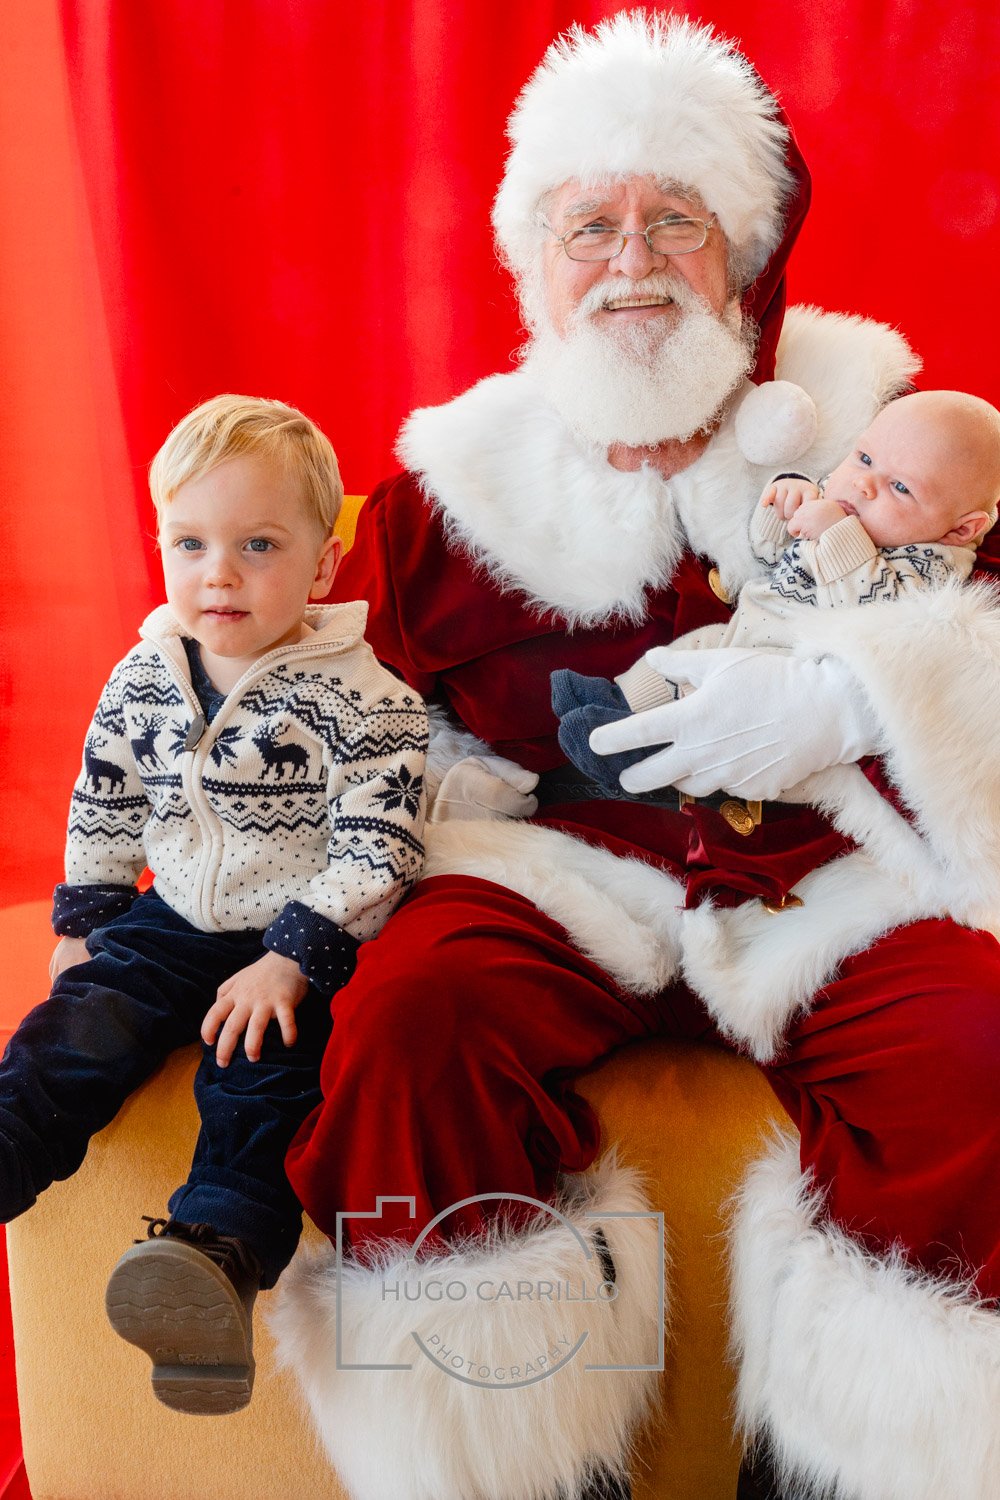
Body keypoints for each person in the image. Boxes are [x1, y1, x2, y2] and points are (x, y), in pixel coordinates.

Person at [271, 16, 1000, 1500]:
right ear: (529, 265)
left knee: (985, 1052)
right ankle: (503, 1473)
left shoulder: (898, 439)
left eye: (677, 219)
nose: (632, 258)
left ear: (743, 257)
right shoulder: (442, 503)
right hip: (558, 869)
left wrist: (862, 706)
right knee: (410, 1025)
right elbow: (357, 724)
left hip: (831, 874)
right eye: (588, 223)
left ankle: (875, 1469)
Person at [0, 395, 427, 1416]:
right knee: (78, 1025)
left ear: (321, 567)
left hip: (295, 935)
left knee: (262, 1070)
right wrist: (83, 923)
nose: (218, 573)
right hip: (171, 914)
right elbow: (102, 797)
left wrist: (292, 955)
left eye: (258, 545)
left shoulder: (366, 700)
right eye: (189, 543)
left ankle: (211, 1261)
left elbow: (384, 842)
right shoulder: (144, 674)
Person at [555, 388, 1000, 793]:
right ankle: (616, 702)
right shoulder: (844, 500)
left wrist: (836, 535)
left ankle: (644, 764)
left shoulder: (932, 567)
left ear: (962, 529)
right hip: (746, 629)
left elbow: (872, 612)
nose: (864, 484)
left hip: (786, 677)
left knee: (713, 717)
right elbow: (769, 556)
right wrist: (785, 499)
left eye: (900, 488)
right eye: (864, 458)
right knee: (680, 655)